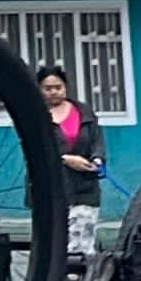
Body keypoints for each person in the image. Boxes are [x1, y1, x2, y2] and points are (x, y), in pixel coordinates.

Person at [33, 64, 103, 263]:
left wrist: (97, 160)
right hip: (50, 189)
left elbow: (97, 140)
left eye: (58, 87)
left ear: (66, 87)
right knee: (55, 243)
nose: (54, 92)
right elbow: (34, 148)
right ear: (39, 89)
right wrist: (64, 159)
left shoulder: (83, 112)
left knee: (82, 243)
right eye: (48, 88)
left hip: (84, 186)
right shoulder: (34, 117)